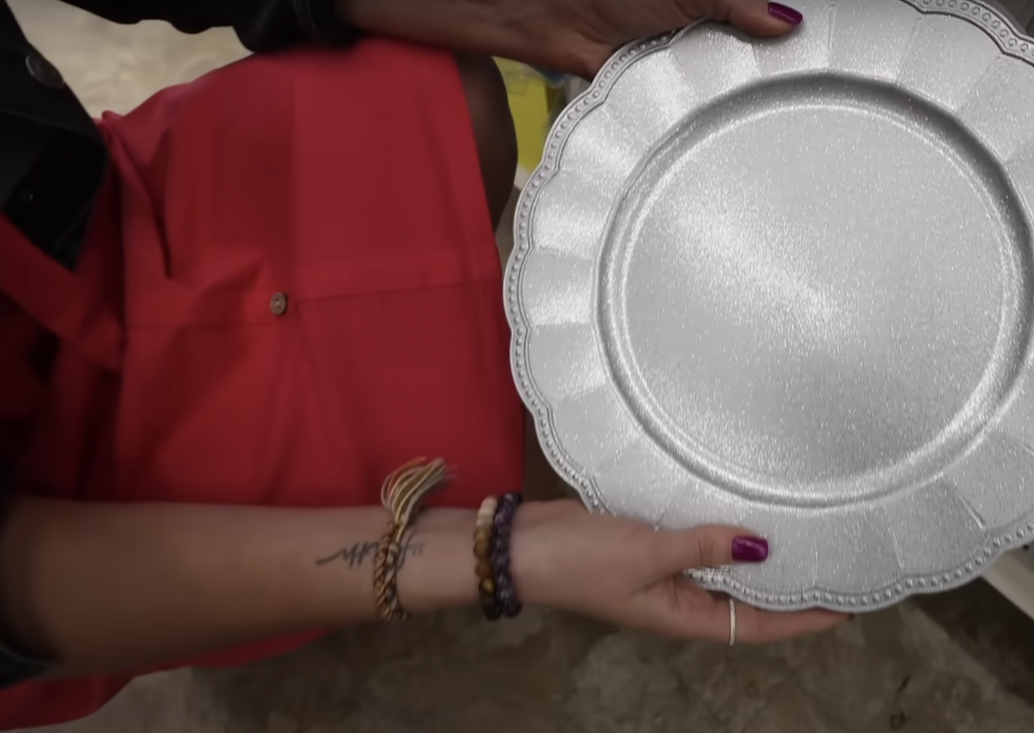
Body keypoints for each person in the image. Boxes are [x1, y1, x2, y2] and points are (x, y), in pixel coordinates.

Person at [0, 0, 841, 728]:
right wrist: (500, 552)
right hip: (58, 502)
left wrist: (537, 11)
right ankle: (262, 566)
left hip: (81, 224)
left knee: (449, 97)